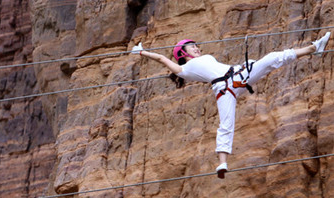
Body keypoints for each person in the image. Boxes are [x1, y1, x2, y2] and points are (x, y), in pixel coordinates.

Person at [132, 32, 330, 177]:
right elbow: (161, 58)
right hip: (224, 89)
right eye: (191, 46)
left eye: (195, 44)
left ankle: (313, 48)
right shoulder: (183, 69)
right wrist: (142, 53)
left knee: (271, 58)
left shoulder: (203, 58)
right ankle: (222, 163)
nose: (196, 47)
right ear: (183, 53)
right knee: (226, 124)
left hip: (238, 75)